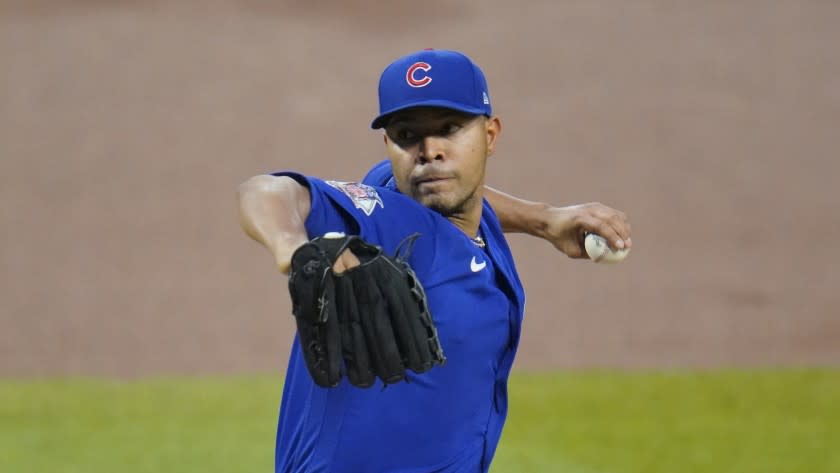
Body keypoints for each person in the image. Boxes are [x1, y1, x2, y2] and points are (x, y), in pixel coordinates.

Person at [239, 49, 632, 473]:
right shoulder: (390, 222)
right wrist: (293, 249)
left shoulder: (441, 201)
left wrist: (545, 219)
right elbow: (268, 191)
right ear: (389, 145)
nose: (429, 152)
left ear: (490, 135)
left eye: (450, 129)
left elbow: (472, 199)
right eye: (407, 135)